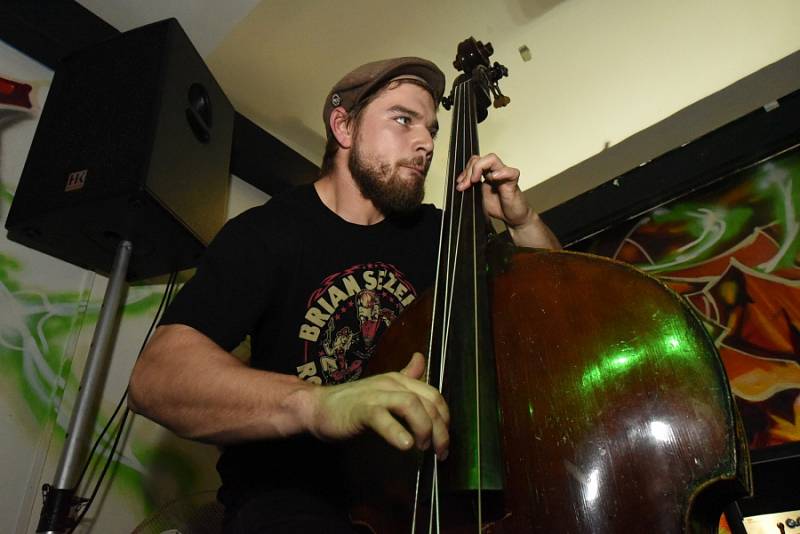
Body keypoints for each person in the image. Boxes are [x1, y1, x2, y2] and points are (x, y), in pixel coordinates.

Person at [128, 56, 560, 532]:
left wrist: (521, 222)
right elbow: (156, 378)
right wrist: (318, 403)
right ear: (344, 126)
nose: (425, 144)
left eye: (433, 131)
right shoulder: (269, 232)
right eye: (403, 120)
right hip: (295, 501)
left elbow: (555, 305)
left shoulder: (442, 236)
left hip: (418, 497)